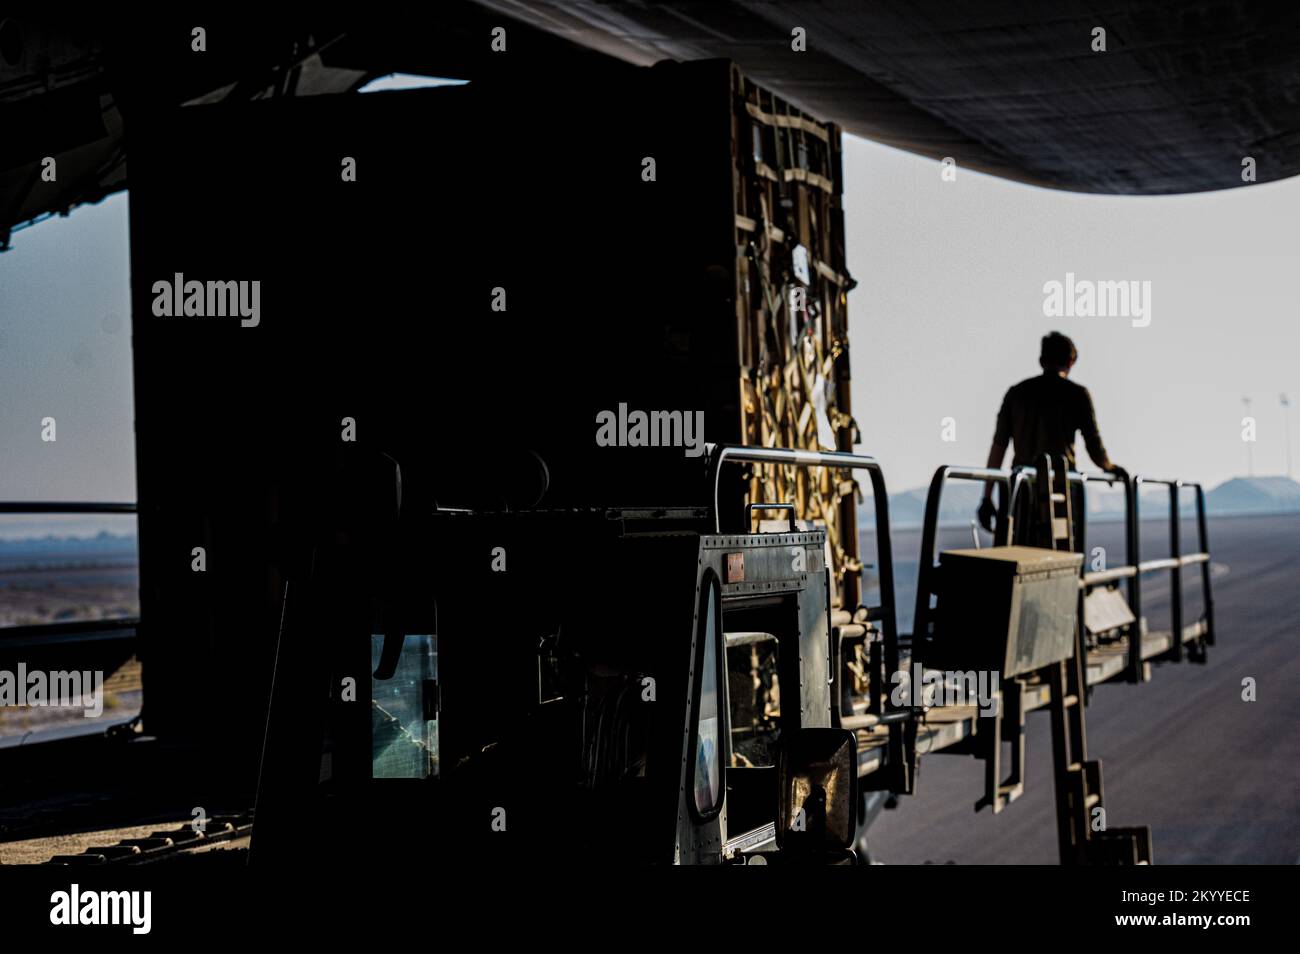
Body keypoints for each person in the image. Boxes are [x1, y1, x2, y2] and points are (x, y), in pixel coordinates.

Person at [978, 332, 1125, 533]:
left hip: (1021, 489)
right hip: (1061, 491)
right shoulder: (1076, 394)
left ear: (1041, 361)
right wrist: (1109, 466)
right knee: (1061, 553)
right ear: (1071, 362)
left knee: (1021, 550)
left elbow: (998, 447)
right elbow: (1093, 442)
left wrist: (987, 497)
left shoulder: (1017, 393)